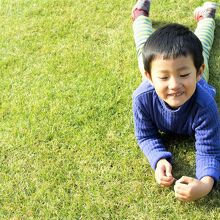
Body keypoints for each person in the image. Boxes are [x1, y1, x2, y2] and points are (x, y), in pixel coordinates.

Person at [132, 0, 220, 202]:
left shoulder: (204, 104)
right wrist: (159, 158)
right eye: (164, 78)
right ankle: (139, 15)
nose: (174, 85)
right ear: (149, 76)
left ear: (198, 73)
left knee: (202, 47)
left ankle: (206, 18)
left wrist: (205, 184)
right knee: (143, 47)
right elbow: (145, 136)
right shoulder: (142, 98)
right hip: (152, 74)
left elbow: (210, 149)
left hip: (195, 79)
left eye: (183, 75)